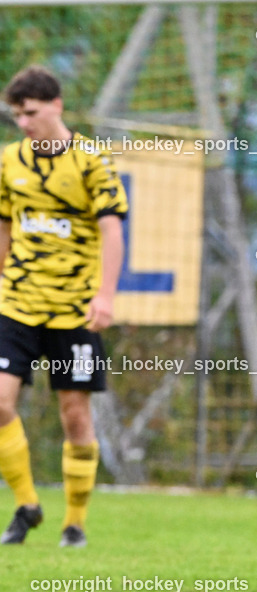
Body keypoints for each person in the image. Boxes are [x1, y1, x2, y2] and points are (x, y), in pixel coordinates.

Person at [0, 66, 126, 547]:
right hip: (17, 302)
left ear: (56, 105)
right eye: (16, 116)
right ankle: (26, 504)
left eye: (29, 113)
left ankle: (74, 522)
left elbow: (112, 230)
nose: (23, 123)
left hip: (73, 307)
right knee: (0, 402)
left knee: (74, 414)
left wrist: (105, 294)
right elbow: (5, 225)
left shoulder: (91, 161)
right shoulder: (10, 161)